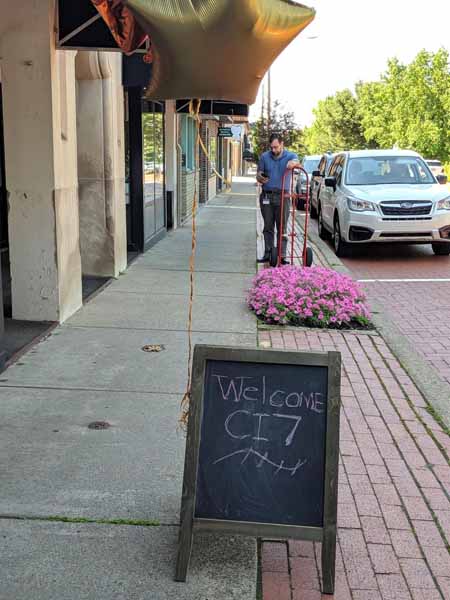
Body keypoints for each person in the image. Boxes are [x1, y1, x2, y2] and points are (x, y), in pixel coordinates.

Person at [256, 133, 300, 264]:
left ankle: (281, 256)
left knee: (282, 227)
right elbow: (258, 174)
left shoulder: (290, 156)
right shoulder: (265, 156)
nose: (274, 150)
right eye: (272, 148)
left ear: (282, 144)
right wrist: (260, 177)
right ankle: (268, 254)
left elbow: (297, 163)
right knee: (268, 227)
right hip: (267, 196)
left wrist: (293, 164)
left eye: (276, 147)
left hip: (283, 196)